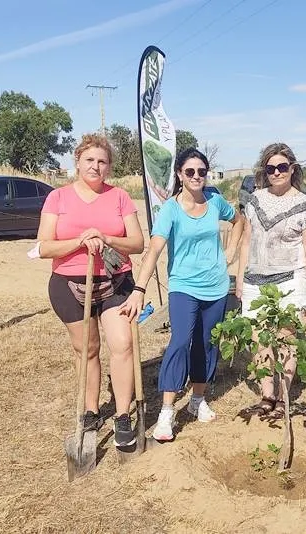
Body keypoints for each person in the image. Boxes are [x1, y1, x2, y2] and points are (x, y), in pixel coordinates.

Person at [120, 148, 243, 442]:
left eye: (202, 171)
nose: (197, 176)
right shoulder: (171, 210)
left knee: (206, 343)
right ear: (179, 175)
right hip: (183, 287)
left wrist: (231, 252)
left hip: (215, 287)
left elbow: (239, 221)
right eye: (190, 172)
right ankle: (166, 411)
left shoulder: (215, 201)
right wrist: (139, 289)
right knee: (180, 341)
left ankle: (197, 400)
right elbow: (154, 250)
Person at [36, 133, 145, 448]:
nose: (96, 166)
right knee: (88, 349)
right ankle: (91, 410)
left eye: (102, 161)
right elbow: (44, 246)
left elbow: (137, 243)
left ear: (109, 165)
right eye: (90, 160)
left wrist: (107, 239)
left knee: (122, 344)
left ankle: (123, 415)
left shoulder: (120, 197)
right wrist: (81, 241)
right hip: (69, 284)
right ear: (77, 162)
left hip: (115, 279)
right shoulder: (58, 198)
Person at [236, 142, 306, 418]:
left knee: (286, 339)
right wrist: (239, 278)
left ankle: (284, 396)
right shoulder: (255, 199)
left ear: (292, 169)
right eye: (271, 168)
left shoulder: (304, 204)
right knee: (259, 340)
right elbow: (246, 241)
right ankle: (267, 394)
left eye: (282, 167)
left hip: (289, 282)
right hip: (255, 281)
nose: (276, 172)